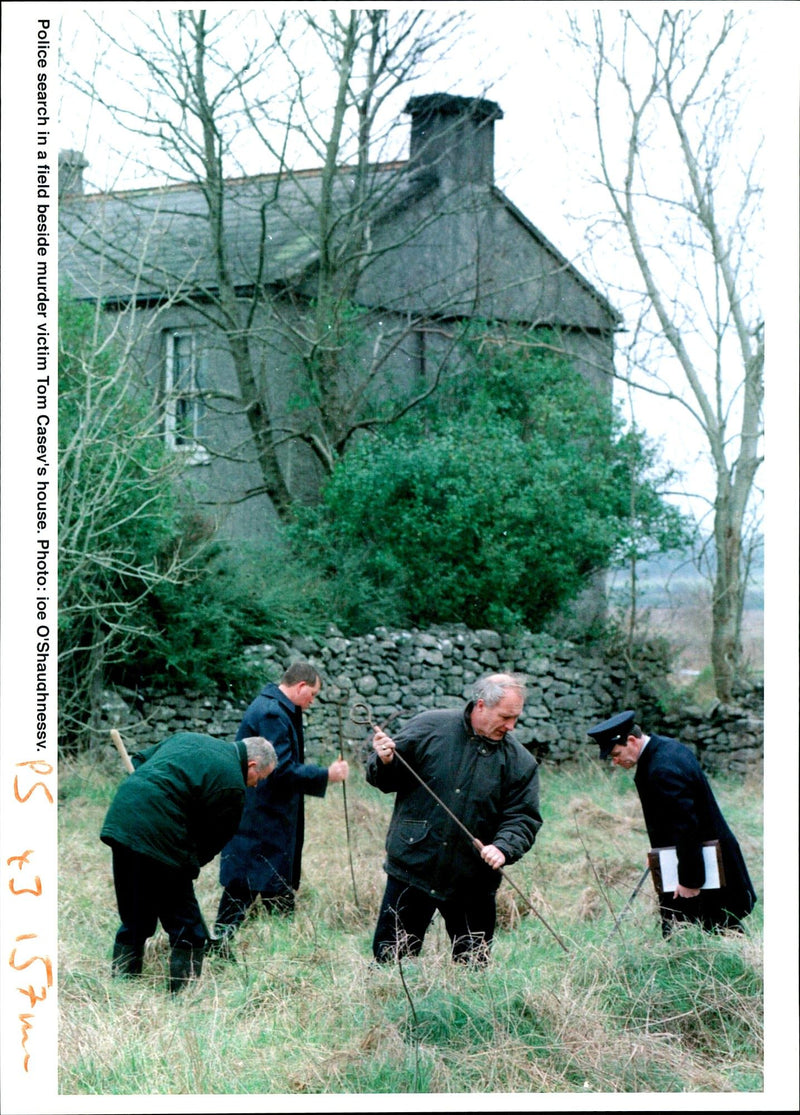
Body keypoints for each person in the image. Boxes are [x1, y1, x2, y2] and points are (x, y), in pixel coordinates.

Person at [365, 672, 542, 965]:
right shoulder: (429, 726)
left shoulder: (520, 762)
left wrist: (503, 847)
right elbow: (385, 779)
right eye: (506, 717)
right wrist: (384, 761)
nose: (511, 726)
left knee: (474, 966)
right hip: (413, 865)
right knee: (390, 960)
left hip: (473, 878)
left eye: (516, 718)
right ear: (481, 705)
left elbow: (523, 816)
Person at [100, 732, 276, 992]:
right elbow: (210, 842)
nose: (255, 786)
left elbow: (139, 761)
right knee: (189, 928)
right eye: (259, 779)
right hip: (161, 836)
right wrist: (184, 870)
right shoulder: (232, 786)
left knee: (136, 915)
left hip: (123, 819)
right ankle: (183, 999)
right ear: (251, 765)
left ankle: (121, 988)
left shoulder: (188, 738)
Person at [213, 661, 349, 947]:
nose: (312, 701)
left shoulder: (279, 708)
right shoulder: (272, 713)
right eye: (312, 694)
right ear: (300, 686)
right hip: (259, 817)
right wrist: (327, 775)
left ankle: (283, 950)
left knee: (271, 883)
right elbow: (280, 770)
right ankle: (221, 945)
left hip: (267, 815)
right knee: (245, 884)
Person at [587, 710, 757, 937]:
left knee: (708, 933)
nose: (615, 761)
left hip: (702, 863)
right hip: (696, 857)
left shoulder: (662, 770)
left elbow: (687, 828)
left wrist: (690, 880)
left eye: (616, 754)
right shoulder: (666, 748)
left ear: (631, 740)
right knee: (708, 932)